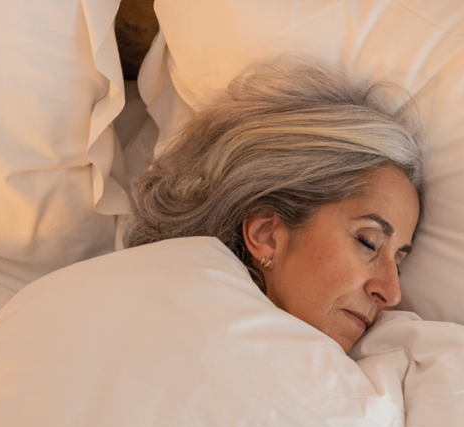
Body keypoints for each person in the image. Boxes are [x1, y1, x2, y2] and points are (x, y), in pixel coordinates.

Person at [123, 62, 426, 353]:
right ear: (265, 233)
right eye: (368, 242)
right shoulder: (142, 317)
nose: (391, 293)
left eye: (398, 264)